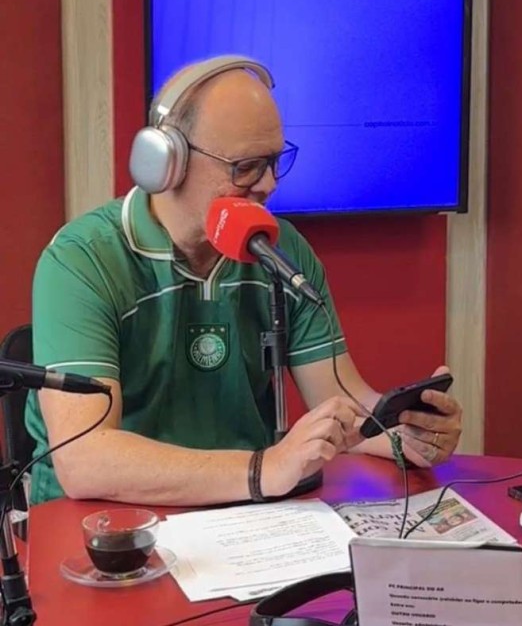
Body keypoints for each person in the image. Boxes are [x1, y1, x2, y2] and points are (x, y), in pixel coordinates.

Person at [26, 55, 463, 506]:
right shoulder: (81, 259)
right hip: (108, 523)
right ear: (166, 162)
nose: (269, 184)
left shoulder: (280, 249)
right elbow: (85, 460)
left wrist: (406, 433)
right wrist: (264, 469)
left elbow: (340, 402)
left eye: (275, 161)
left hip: (240, 514)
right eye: (247, 166)